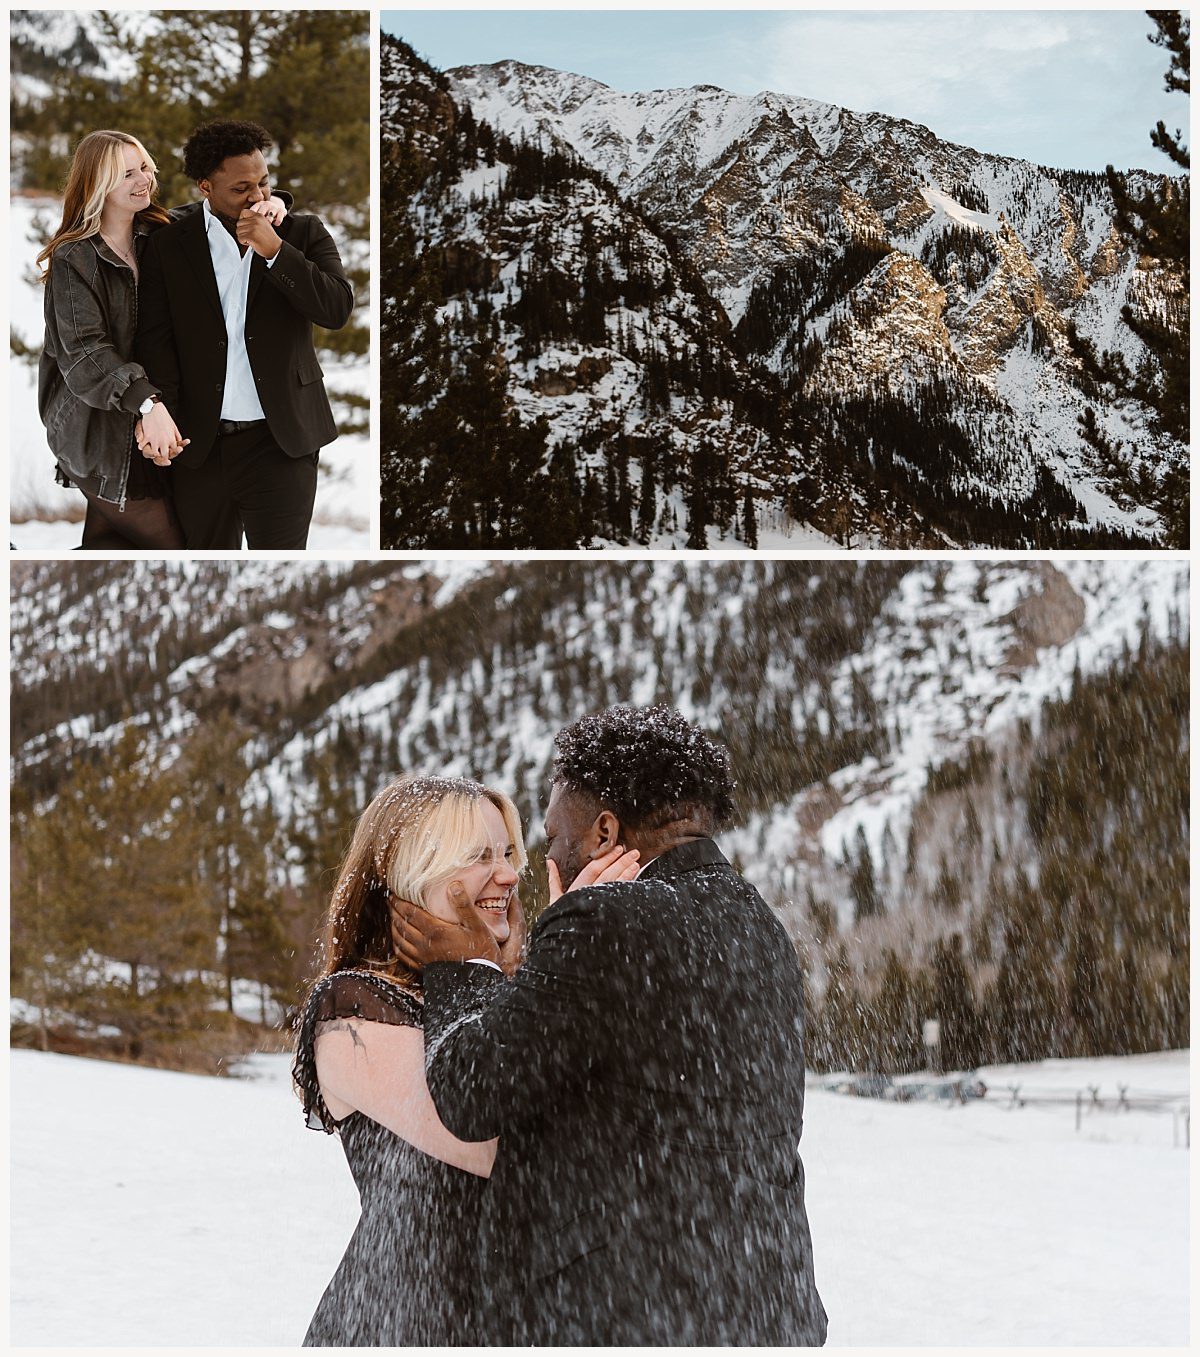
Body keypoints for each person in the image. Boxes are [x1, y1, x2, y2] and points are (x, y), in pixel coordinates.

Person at [392, 705, 829, 1345]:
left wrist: (465, 965)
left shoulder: (602, 923)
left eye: (552, 838)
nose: (547, 857)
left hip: (621, 1312)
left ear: (602, 832)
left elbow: (471, 1092)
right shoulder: (758, 924)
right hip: (762, 1305)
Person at [292, 774, 637, 1346]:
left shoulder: (517, 995)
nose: (508, 874)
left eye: (507, 852)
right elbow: (497, 1139)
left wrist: (566, 955)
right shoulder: (353, 1008)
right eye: (478, 856)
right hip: (397, 1329)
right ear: (412, 872)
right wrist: (488, 968)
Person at [35, 129, 286, 549]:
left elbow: (227, 202)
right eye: (127, 173)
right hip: (97, 430)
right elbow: (85, 355)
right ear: (98, 182)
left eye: (146, 168)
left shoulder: (162, 230)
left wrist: (276, 202)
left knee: (109, 546)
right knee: (175, 546)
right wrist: (147, 402)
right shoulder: (74, 258)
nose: (144, 180)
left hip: (158, 426)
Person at [134, 119, 354, 549]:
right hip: (200, 450)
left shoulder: (302, 233)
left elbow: (336, 309)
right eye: (240, 189)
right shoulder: (169, 244)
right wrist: (159, 416)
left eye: (264, 183)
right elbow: (156, 343)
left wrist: (275, 252)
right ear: (205, 187)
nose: (257, 196)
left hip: (281, 446)